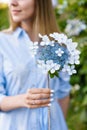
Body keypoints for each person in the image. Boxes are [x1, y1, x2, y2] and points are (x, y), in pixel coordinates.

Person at [0, 0, 71, 130]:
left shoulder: (60, 45)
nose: (13, 3)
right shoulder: (2, 42)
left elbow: (63, 94)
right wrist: (23, 100)